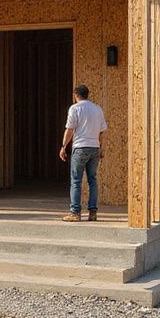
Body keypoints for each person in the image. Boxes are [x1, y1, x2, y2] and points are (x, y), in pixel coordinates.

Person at [59, 84, 107, 223]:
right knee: (92, 180)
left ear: (76, 95)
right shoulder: (97, 109)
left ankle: (75, 212)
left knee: (76, 180)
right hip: (94, 148)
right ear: (88, 94)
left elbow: (69, 129)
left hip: (80, 148)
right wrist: (101, 148)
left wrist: (63, 146)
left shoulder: (75, 108)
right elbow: (102, 131)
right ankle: (93, 212)